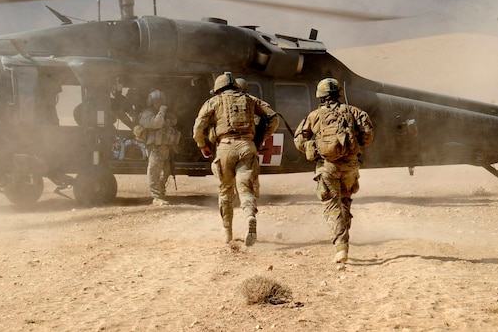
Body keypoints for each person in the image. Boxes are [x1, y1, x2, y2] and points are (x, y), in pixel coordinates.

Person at [294, 77, 374, 263]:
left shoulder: (314, 116)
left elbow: (299, 140)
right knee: (345, 201)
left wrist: (312, 148)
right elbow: (368, 136)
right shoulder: (355, 112)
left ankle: (341, 247)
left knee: (331, 206)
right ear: (339, 94)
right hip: (351, 166)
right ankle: (345, 237)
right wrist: (353, 147)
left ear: (320, 97)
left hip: (327, 167)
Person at [193, 72, 279, 245]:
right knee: (245, 187)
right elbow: (273, 117)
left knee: (225, 189)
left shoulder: (213, 101)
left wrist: (202, 145)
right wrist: (261, 138)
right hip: (247, 146)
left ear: (218, 89)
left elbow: (198, 127)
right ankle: (249, 217)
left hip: (225, 147)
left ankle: (228, 233)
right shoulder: (250, 100)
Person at [138, 89, 180, 206]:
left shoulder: (166, 115)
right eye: (156, 102)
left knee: (166, 172)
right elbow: (156, 124)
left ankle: (161, 192)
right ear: (151, 103)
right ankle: (156, 197)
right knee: (154, 172)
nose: (159, 104)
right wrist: (161, 112)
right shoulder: (146, 114)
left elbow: (174, 122)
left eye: (161, 102)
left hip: (166, 148)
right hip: (155, 149)